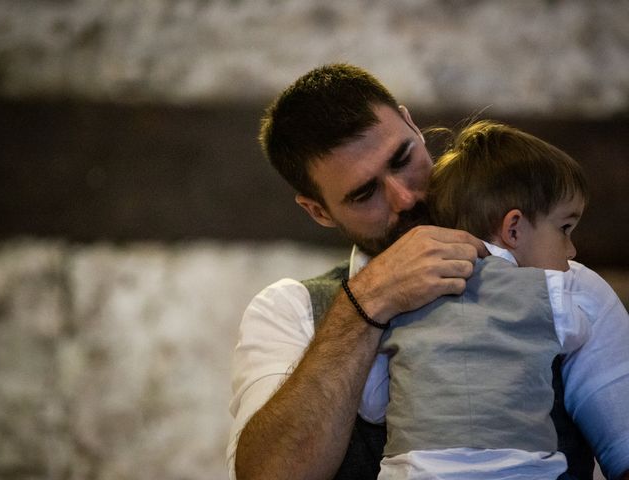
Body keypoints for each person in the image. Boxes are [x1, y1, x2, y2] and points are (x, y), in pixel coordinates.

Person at [226, 63, 627, 480]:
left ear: (413, 125)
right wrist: (369, 300)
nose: (404, 197)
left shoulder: (564, 286)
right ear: (319, 211)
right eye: (365, 193)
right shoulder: (290, 310)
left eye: (403, 159)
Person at [362, 120, 629, 479]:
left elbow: (374, 404)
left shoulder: (402, 299)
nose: (572, 249)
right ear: (513, 228)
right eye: (564, 228)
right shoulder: (556, 291)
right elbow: (581, 329)